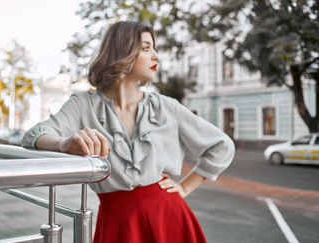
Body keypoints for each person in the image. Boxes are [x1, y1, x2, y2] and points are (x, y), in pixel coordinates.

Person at [22, 21, 235, 243]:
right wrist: (64, 143)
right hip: (118, 221)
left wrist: (184, 187)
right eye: (146, 48)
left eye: (154, 48)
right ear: (122, 52)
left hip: (169, 215)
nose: (155, 56)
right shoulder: (83, 104)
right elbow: (33, 135)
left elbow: (222, 145)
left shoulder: (166, 106)